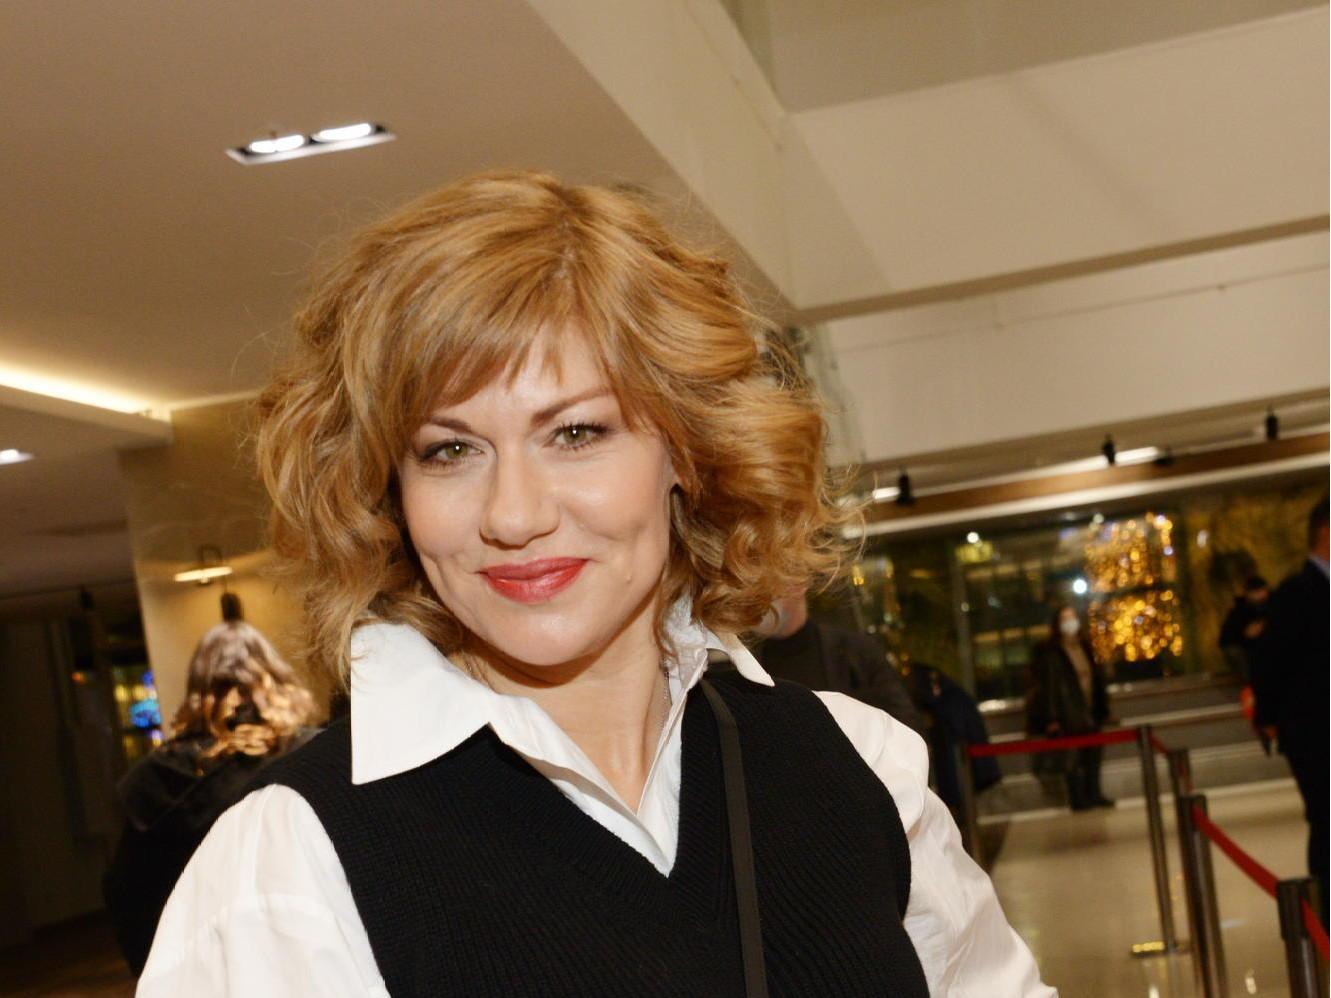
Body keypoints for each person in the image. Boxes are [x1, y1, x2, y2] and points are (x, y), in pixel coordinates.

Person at [139, 171, 1054, 996]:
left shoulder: (855, 763)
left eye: (575, 434)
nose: (513, 513)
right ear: (389, 492)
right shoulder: (291, 864)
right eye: (449, 450)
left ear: (686, 451)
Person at [103, 620, 316, 975]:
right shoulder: (311, 756)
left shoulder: (154, 778)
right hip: (298, 953)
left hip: (202, 965)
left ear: (197, 691)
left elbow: (128, 895)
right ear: (275, 679)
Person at [1252, 495, 1329, 924]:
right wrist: (1268, 718)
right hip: (1315, 732)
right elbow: (1270, 661)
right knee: (1326, 819)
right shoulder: (1297, 592)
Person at [751, 589, 927, 736]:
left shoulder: (857, 652)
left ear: (798, 581)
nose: (752, 597)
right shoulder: (744, 663)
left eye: (763, 583)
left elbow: (906, 731)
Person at [1030, 605, 1113, 811]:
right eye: (1065, 619)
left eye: (1073, 617)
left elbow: (1095, 678)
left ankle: (1094, 793)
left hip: (1090, 709)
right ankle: (1078, 798)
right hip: (1067, 712)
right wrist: (1052, 718)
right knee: (1072, 758)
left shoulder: (1084, 647)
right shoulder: (1052, 652)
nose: (1070, 622)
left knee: (1093, 754)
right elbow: (1049, 686)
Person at [1218, 574, 1269, 681]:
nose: (1260, 595)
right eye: (1256, 592)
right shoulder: (1241, 609)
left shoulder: (1269, 604)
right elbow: (1249, 633)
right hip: (1238, 645)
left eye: (1262, 591)